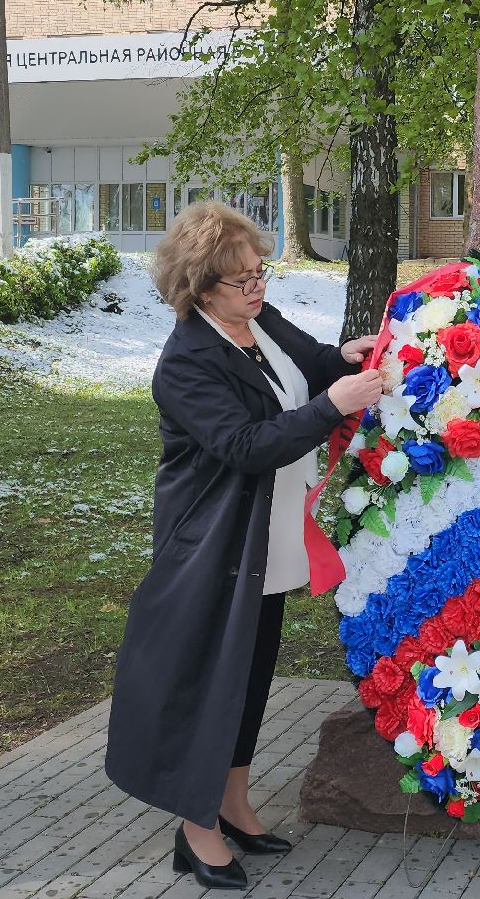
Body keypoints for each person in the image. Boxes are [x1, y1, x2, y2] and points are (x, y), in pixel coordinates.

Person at [105, 201, 384, 890]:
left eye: (262, 274)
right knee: (211, 683)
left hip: (272, 536)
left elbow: (313, 362)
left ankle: (232, 803)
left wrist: (343, 361)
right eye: (240, 281)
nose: (258, 289)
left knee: (254, 673)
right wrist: (333, 406)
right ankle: (196, 832)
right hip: (214, 543)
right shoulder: (185, 364)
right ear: (199, 289)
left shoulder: (257, 318)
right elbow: (243, 446)